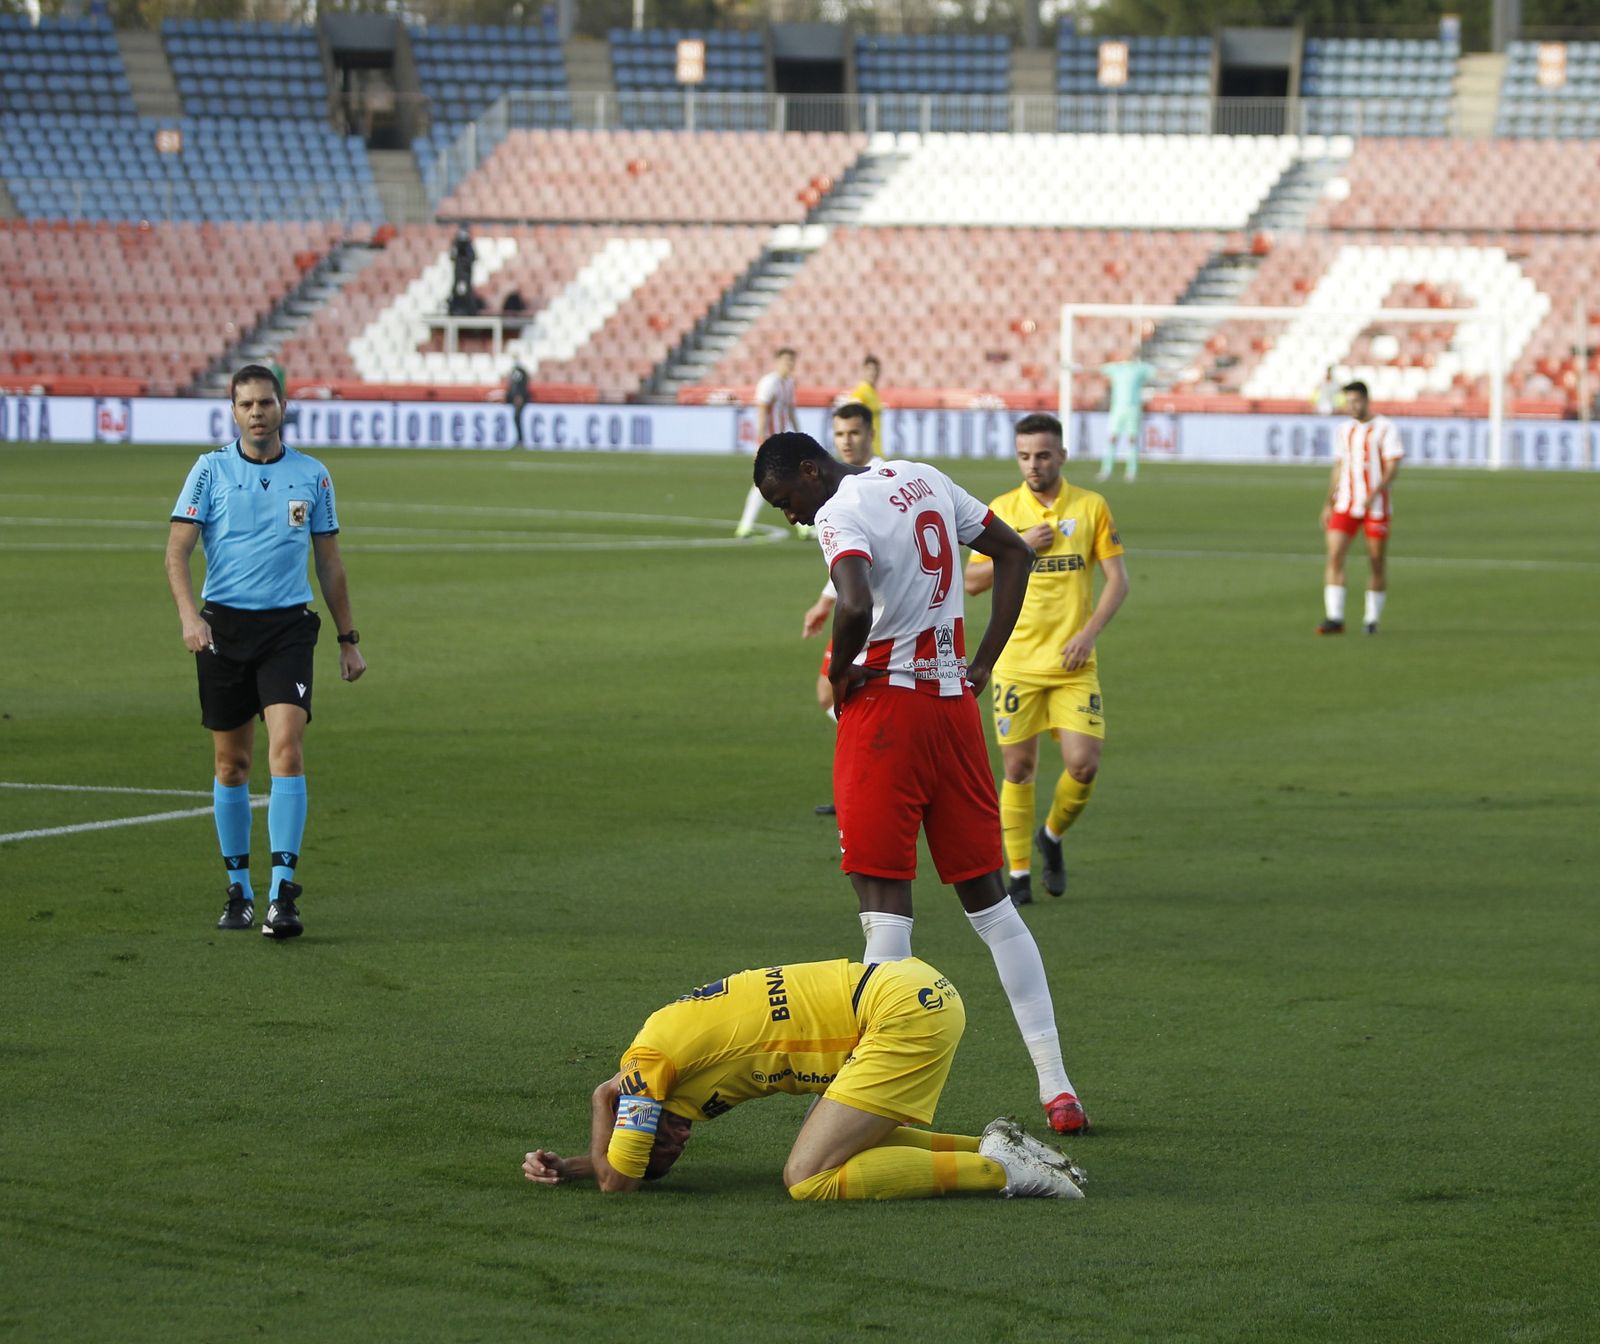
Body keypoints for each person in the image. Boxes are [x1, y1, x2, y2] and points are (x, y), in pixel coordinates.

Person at [754, 432, 1090, 1136]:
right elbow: (1013, 553)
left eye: (786, 501)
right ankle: (1057, 1086)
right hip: (953, 712)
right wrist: (982, 664)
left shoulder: (839, 513)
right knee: (993, 908)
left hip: (888, 718)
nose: (791, 517)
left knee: (886, 914)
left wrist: (841, 671)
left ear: (811, 471)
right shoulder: (921, 476)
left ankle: (874, 1105)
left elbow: (851, 603)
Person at [520, 956, 1085, 1201]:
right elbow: (620, 1161)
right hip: (908, 992)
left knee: (807, 1176)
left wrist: (600, 1100)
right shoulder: (662, 1066)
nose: (680, 1142)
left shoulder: (645, 1066)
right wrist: (572, 1165)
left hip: (899, 1012)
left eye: (654, 1144)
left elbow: (618, 1182)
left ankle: (998, 1172)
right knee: (848, 1140)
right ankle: (1006, 1149)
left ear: (634, 1118)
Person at [164, 364, 367, 939]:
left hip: (287, 629)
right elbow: (176, 552)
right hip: (222, 630)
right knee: (232, 764)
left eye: (266, 403)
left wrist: (347, 639)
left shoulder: (313, 476)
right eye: (247, 404)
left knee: (288, 747)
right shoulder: (208, 472)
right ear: (233, 411)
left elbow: (329, 562)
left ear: (282, 408)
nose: (258, 412)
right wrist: (188, 617)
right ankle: (239, 890)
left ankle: (282, 894)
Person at [965, 413, 1129, 907]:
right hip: (1015, 663)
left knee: (1083, 766)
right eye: (1024, 456)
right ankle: (1018, 877)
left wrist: (1088, 634)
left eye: (1042, 455)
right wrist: (1017, 550)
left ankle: (1052, 836)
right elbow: (971, 582)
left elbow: (1118, 580)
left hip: (1073, 663)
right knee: (1018, 769)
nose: (1032, 465)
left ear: (1061, 455)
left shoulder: (1092, 506)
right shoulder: (1001, 510)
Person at [1318, 380, 1403, 635]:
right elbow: (1339, 466)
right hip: (1345, 503)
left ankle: (1371, 619)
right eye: (1348, 402)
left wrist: (1374, 493)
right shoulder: (1344, 430)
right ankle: (1335, 618)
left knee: (1376, 562)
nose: (1352, 407)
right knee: (1334, 556)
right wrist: (1328, 501)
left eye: (1356, 401)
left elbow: (1392, 467)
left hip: (1375, 506)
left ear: (1366, 400)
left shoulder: (1385, 428)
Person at [735, 347, 798, 538]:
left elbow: (790, 411)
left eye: (791, 361)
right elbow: (761, 411)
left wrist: (799, 433)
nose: (789, 364)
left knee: (788, 480)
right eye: (786, 360)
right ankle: (745, 525)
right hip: (770, 442)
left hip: (782, 441)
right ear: (777, 361)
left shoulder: (788, 383)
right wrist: (760, 441)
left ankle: (745, 526)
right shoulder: (769, 383)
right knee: (771, 482)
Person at [1098, 352, 1156, 482]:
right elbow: (1097, 370)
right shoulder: (1116, 368)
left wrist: (1180, 374)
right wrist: (1076, 369)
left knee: (1132, 439)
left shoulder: (1140, 368)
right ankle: (1106, 470)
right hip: (1117, 408)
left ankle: (1131, 472)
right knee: (1112, 438)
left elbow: (1157, 373)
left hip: (1133, 408)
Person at [845, 354, 884, 448]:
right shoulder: (861, 391)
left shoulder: (873, 392)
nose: (873, 373)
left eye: (876, 369)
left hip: (876, 447)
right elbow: (852, 412)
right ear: (864, 370)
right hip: (867, 449)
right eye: (869, 369)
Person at [505, 360, 531, 447]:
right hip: (518, 398)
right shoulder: (520, 372)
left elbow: (519, 385)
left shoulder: (519, 372)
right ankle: (520, 439)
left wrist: (518, 396)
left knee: (517, 418)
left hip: (519, 398)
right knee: (517, 418)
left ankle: (520, 439)